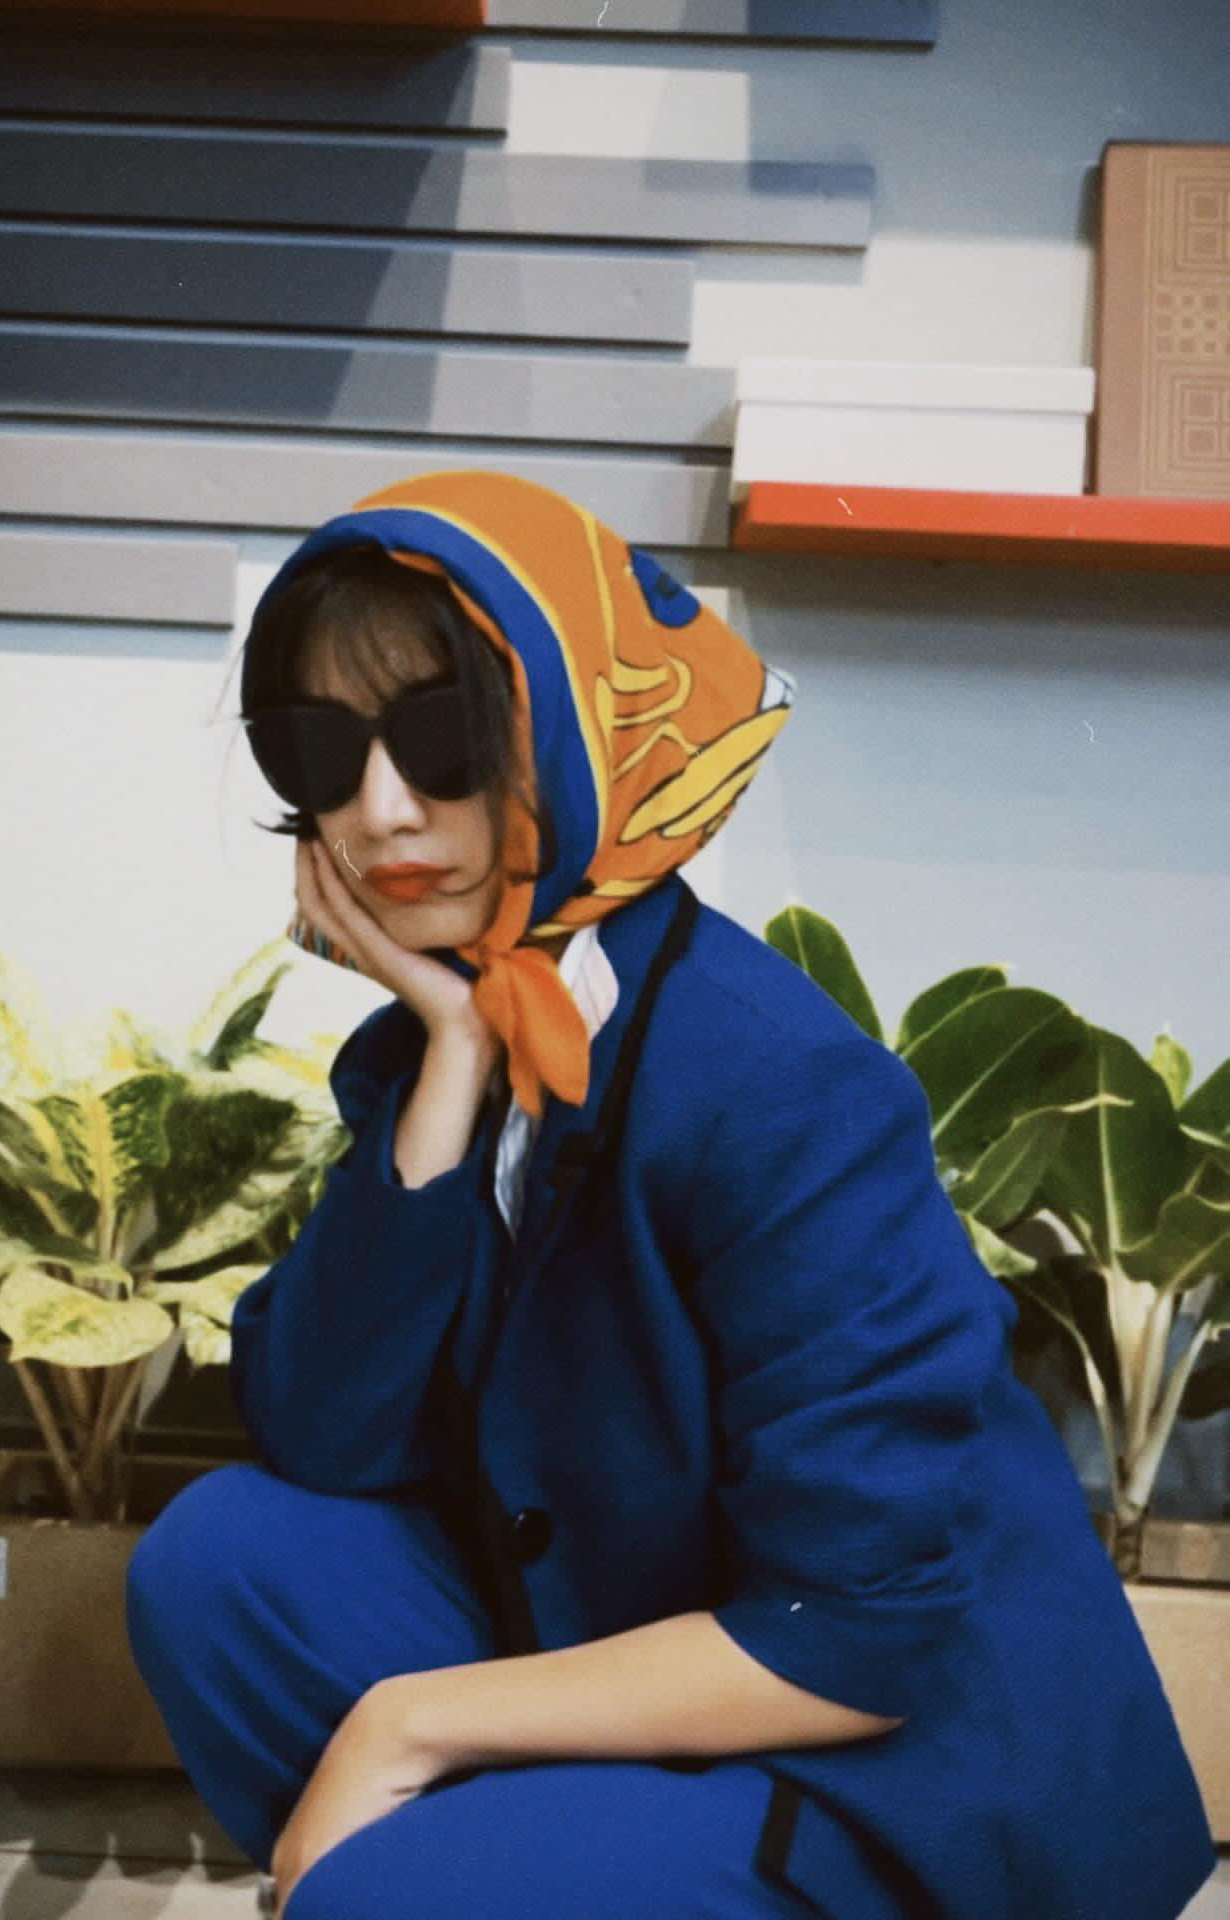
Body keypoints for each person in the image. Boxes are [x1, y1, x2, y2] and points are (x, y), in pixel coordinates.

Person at [126, 469, 1215, 1920]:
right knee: (219, 1568)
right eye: (318, 750)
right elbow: (324, 1432)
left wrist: (413, 1724)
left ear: (583, 727)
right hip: (627, 1622)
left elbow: (861, 1630)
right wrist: (447, 1063)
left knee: (385, 1897)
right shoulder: (445, 1044)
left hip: (885, 1761)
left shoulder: (779, 1085)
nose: (381, 810)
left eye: (444, 737)